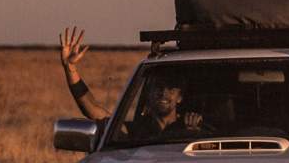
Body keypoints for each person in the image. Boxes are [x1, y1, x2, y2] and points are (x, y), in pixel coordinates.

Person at [58, 26, 204, 138]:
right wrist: (71, 70)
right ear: (148, 93)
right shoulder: (136, 130)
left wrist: (194, 134)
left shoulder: (191, 125)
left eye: (171, 88)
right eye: (158, 87)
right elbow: (94, 110)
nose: (163, 93)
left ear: (180, 97)